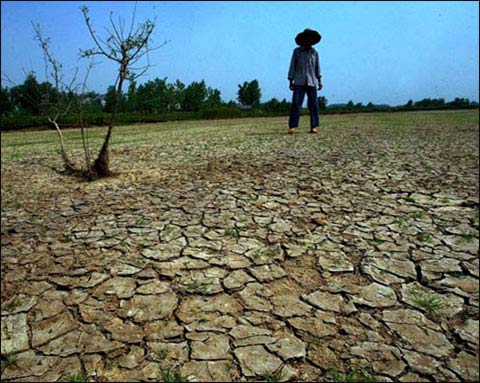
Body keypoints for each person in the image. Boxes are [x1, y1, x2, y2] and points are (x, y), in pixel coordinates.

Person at [287, 28, 323, 134]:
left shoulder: (314, 53)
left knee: (313, 105)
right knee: (296, 104)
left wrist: (319, 80)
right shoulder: (297, 52)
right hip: (299, 81)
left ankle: (314, 126)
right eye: (306, 39)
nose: (308, 41)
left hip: (312, 82)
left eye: (310, 39)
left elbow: (317, 67)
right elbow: (292, 66)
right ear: (303, 40)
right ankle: (292, 126)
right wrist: (290, 80)